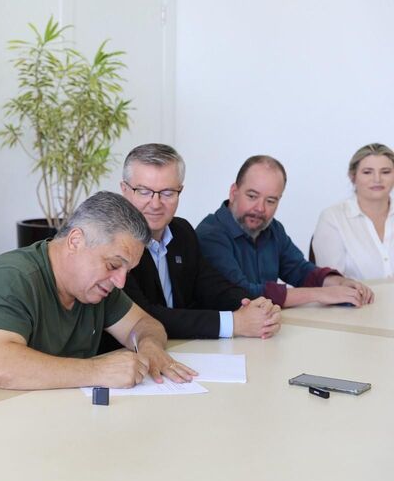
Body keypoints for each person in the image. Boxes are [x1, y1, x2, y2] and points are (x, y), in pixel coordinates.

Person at [0, 192, 195, 411]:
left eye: (126, 271)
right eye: (113, 265)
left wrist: (149, 346)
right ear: (76, 241)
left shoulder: (95, 287)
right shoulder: (12, 277)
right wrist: (99, 371)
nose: (120, 281)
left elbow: (144, 324)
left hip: (13, 418)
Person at [117, 144, 281, 340]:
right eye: (144, 191)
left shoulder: (181, 232)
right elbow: (144, 317)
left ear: (180, 191)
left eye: (168, 193)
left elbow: (212, 286)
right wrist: (235, 323)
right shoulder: (115, 244)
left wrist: (254, 306)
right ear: (125, 190)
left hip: (184, 350)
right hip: (131, 357)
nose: (155, 203)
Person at [197, 155, 374, 307]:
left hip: (265, 331)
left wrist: (339, 283)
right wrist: (320, 294)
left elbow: (300, 270)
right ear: (234, 192)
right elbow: (241, 293)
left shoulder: (273, 228)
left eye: (271, 201)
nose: (260, 208)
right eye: (252, 196)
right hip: (220, 340)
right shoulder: (211, 234)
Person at [312, 143, 394, 280]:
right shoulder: (332, 218)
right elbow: (332, 284)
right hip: (357, 301)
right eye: (367, 172)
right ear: (352, 176)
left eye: (385, 172)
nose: (377, 179)